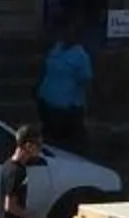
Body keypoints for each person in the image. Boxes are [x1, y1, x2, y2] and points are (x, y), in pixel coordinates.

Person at [35, 21, 93, 152]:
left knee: (65, 146)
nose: (66, 34)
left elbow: (87, 82)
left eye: (70, 32)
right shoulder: (56, 48)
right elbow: (45, 69)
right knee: (48, 140)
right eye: (65, 31)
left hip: (66, 109)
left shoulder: (80, 56)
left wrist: (88, 105)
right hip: (46, 103)